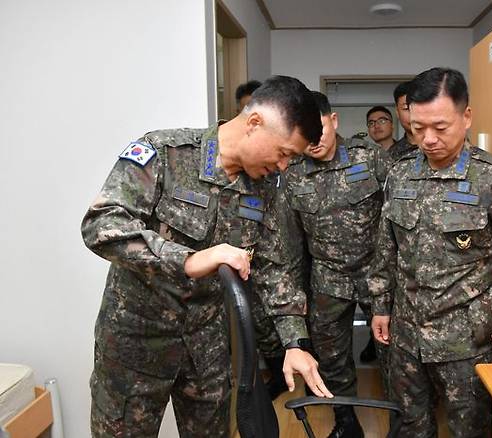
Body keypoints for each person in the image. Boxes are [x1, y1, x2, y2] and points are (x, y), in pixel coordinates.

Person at [81, 75, 333, 438]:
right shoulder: (165, 153)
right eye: (283, 153)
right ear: (254, 123)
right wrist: (184, 260)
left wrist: (295, 342)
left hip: (207, 351)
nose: (282, 167)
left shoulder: (263, 189)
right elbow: (100, 223)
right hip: (136, 345)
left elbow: (273, 267)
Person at [368, 67, 492, 438]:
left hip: (465, 343)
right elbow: (386, 245)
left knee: (469, 430)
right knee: (410, 427)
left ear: (466, 117)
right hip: (406, 338)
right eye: (417, 127)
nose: (428, 139)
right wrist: (380, 304)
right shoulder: (400, 174)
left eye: (440, 128)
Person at [282, 91, 391, 438]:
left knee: (394, 355)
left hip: (377, 275)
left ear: (334, 121)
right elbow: (291, 241)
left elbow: (398, 218)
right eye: (306, 134)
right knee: (332, 358)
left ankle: (404, 423)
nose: (314, 141)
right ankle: (346, 424)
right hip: (328, 278)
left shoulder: (370, 156)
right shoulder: (295, 172)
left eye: (320, 129)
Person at [387, 81, 417, 162]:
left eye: (417, 107)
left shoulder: (441, 146)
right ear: (397, 112)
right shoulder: (391, 155)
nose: (413, 114)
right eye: (406, 108)